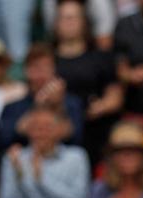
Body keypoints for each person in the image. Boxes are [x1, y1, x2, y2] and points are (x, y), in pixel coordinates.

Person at [52, 0, 123, 166]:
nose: (69, 22)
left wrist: (101, 106)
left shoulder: (101, 58)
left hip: (95, 134)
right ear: (55, 24)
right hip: (58, 139)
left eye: (74, 17)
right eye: (64, 17)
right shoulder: (48, 61)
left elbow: (116, 96)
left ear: (84, 22)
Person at [0, 42, 84, 152]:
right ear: (26, 71)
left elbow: (76, 138)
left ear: (54, 70)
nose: (41, 73)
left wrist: (59, 107)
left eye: (46, 67)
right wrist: (38, 106)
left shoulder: (71, 103)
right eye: (35, 67)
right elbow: (5, 139)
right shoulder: (12, 107)